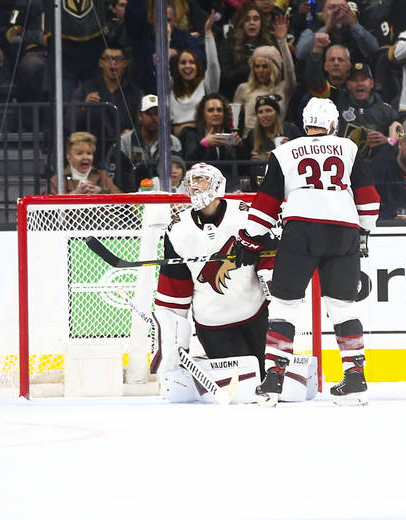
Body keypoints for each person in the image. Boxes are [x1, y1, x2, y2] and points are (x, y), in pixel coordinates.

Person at [235, 97, 380, 406]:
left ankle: (273, 379)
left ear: (305, 123)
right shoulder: (349, 148)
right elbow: (369, 198)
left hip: (300, 230)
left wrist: (249, 239)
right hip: (344, 230)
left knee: (285, 306)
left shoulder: (284, 152)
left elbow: (266, 203)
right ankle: (355, 377)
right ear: (333, 124)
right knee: (343, 306)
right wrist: (364, 231)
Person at [151, 163, 272, 401]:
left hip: (255, 312)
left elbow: (270, 247)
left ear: (218, 185)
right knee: (243, 393)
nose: (195, 186)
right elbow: (175, 288)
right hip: (212, 323)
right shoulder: (178, 229)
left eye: (202, 180)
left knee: (267, 384)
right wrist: (172, 334)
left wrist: (266, 268)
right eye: (192, 181)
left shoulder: (244, 214)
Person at [116, 94, 183, 192]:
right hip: (133, 197)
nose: (154, 118)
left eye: (157, 113)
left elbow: (178, 173)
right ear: (140, 116)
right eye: (149, 113)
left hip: (165, 196)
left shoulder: (174, 142)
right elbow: (119, 175)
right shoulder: (125, 141)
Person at [48, 131, 122, 194]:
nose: (85, 157)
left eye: (89, 153)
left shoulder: (102, 176)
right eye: (80, 153)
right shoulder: (57, 180)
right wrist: (74, 195)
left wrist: (101, 191)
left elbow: (121, 199)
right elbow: (48, 208)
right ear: (69, 157)